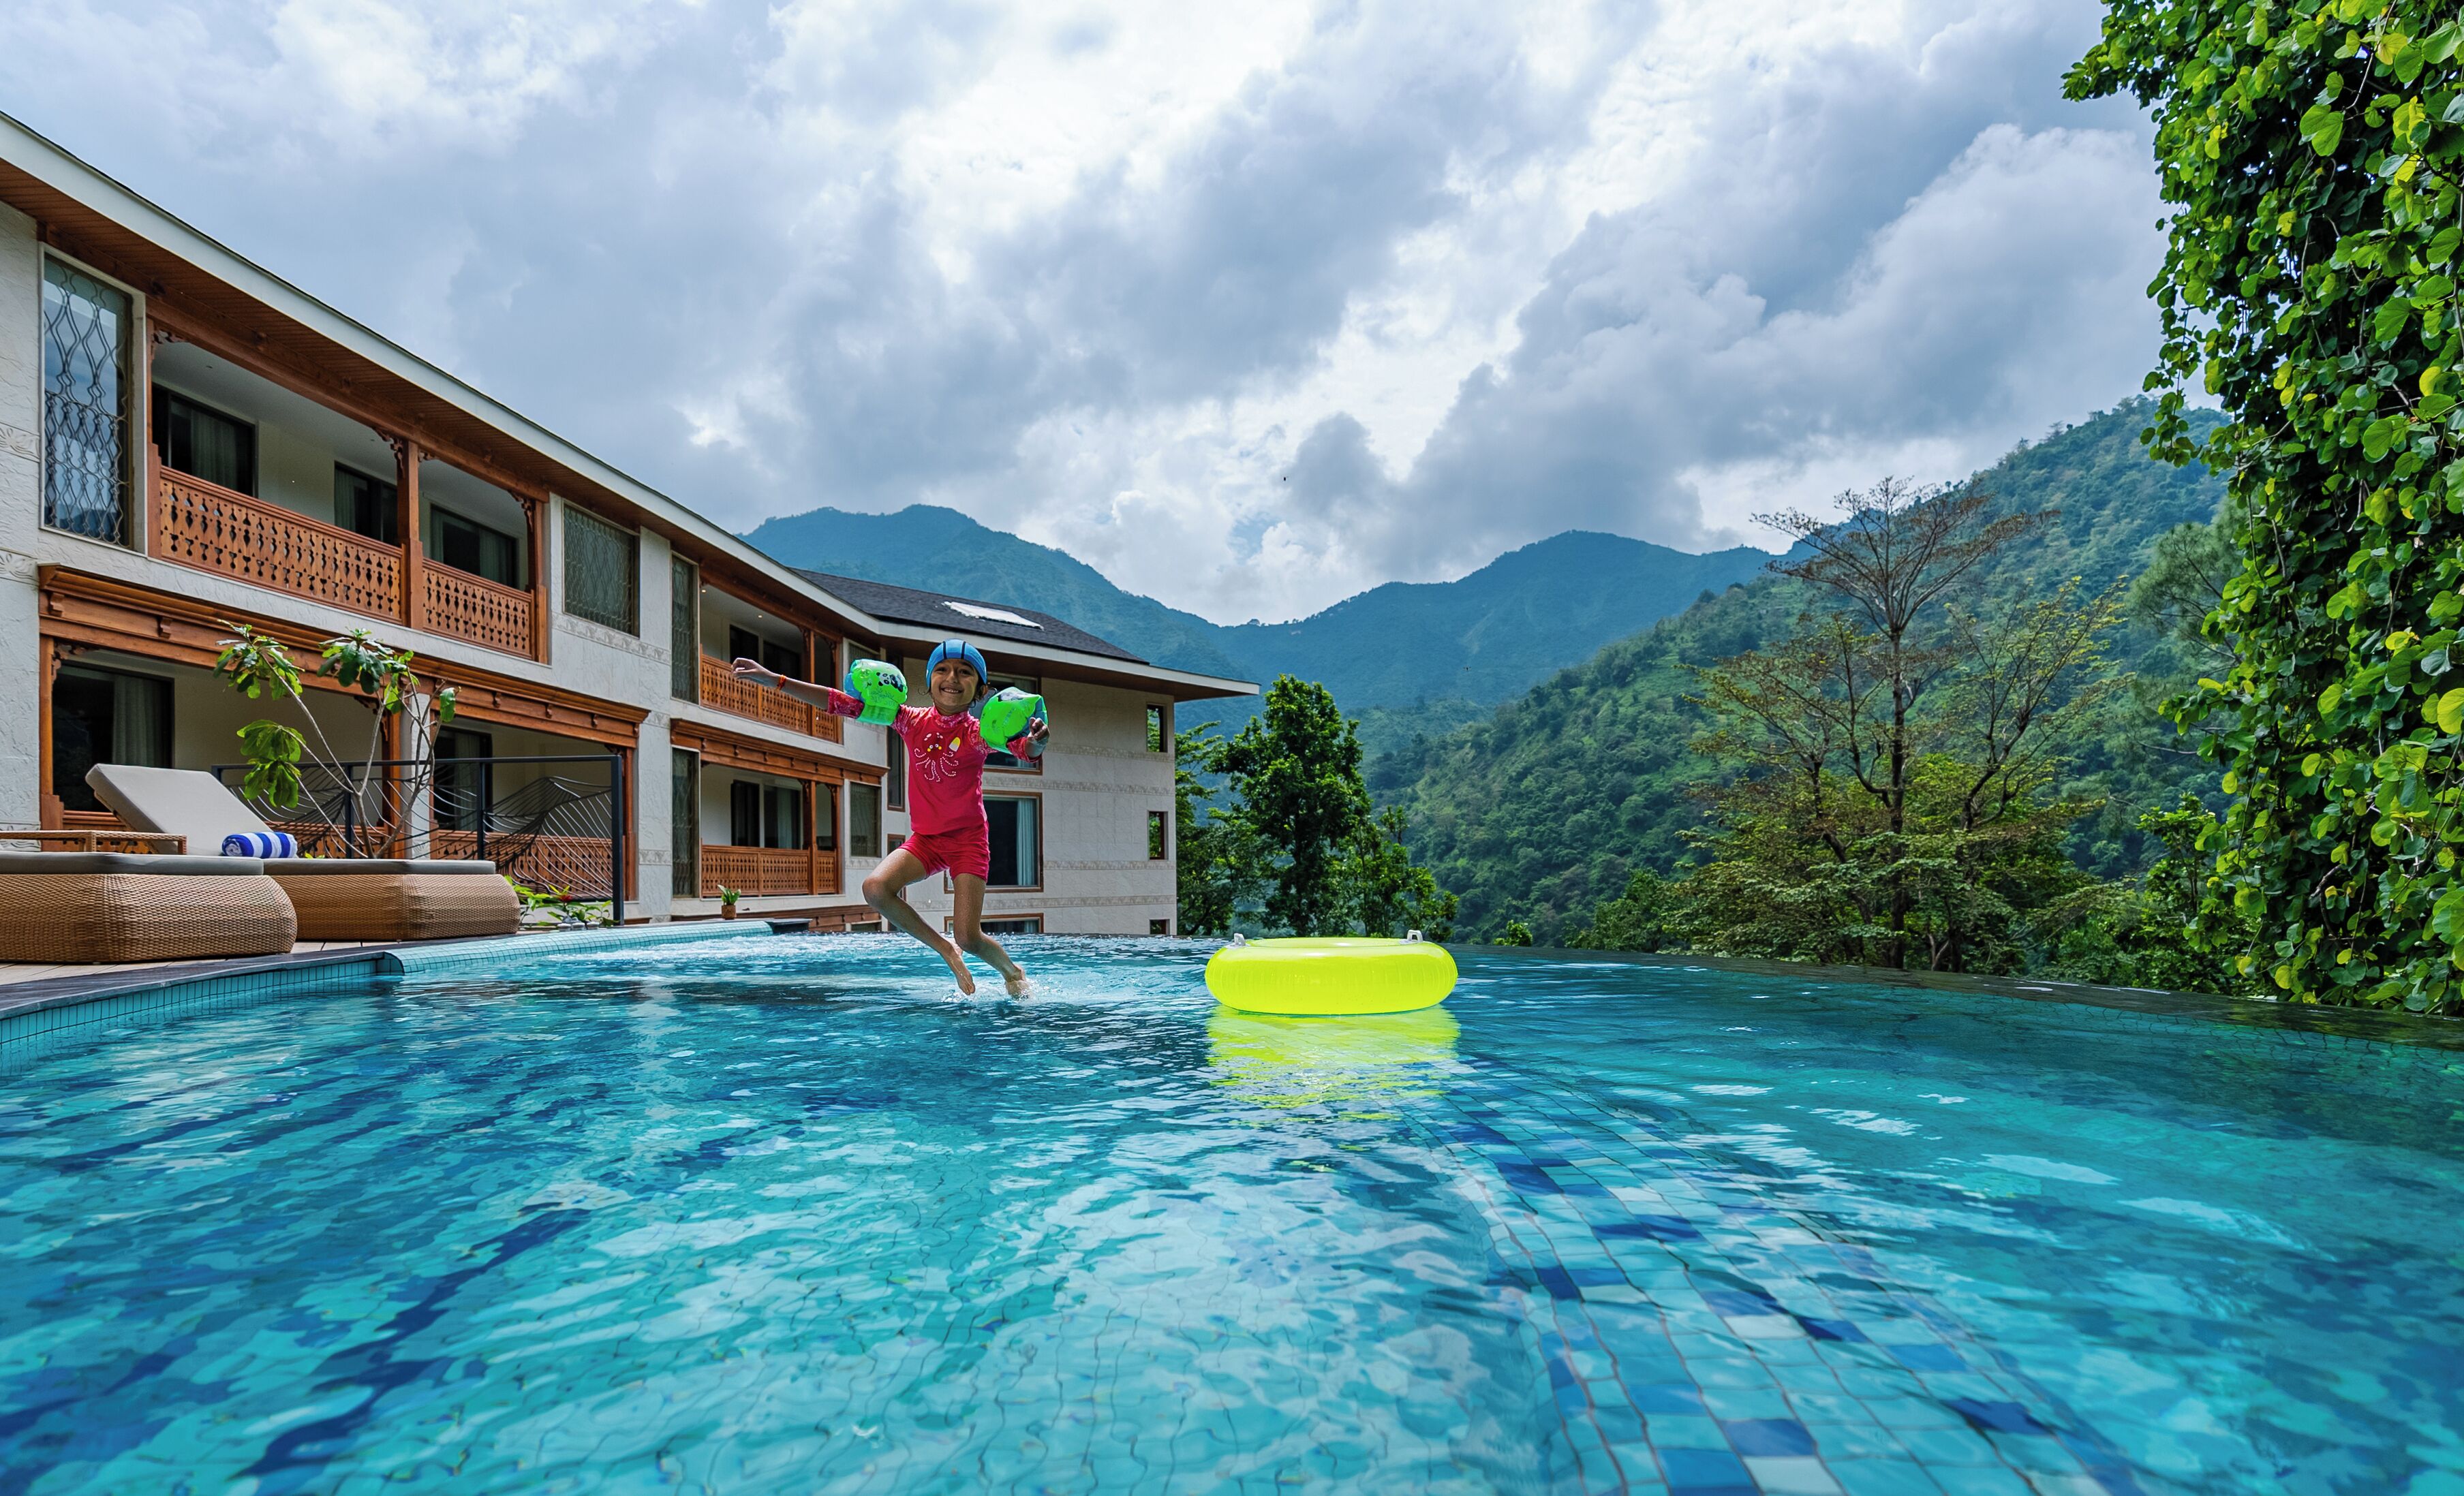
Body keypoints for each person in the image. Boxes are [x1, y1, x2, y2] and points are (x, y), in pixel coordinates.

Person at [732, 638, 1047, 996]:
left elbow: (1025, 749)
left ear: (981, 689)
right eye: (942, 670)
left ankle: (1011, 970)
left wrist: (1038, 740)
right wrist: (776, 680)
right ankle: (945, 949)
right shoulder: (908, 720)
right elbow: (840, 702)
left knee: (970, 936)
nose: (952, 678)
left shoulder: (977, 734)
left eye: (964, 672)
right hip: (926, 840)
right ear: (928, 682)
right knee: (876, 889)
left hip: (967, 841)